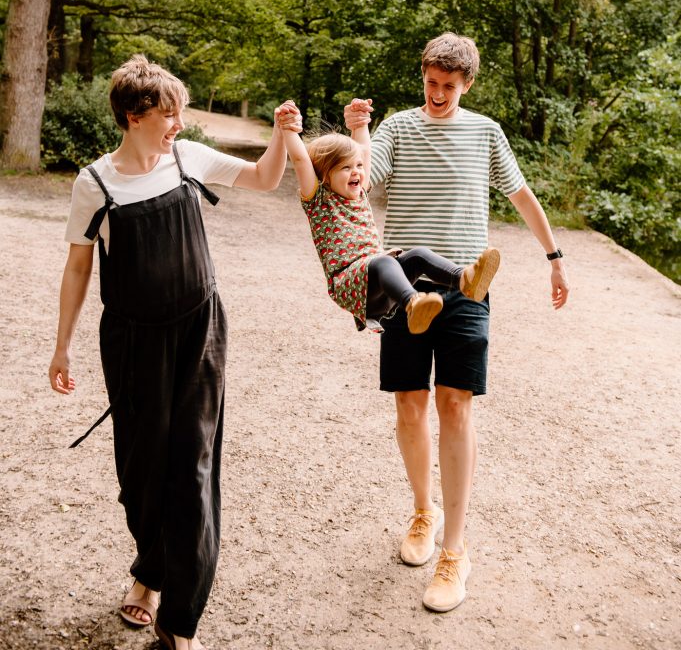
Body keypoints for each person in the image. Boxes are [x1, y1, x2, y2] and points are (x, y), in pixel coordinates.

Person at [48, 55, 300, 650]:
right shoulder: (96, 183)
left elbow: (264, 179)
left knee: (193, 465)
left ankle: (179, 618)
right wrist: (62, 346)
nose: (178, 124)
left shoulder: (189, 160)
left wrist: (282, 137)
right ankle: (149, 571)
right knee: (142, 471)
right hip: (133, 341)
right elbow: (78, 266)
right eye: (169, 114)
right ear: (135, 116)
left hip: (199, 333)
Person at [344, 33, 569, 614]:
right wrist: (358, 133)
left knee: (456, 405)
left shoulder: (485, 132)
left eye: (449, 85)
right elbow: (362, 179)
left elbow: (521, 196)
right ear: (422, 76)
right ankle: (424, 512)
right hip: (403, 286)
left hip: (469, 286)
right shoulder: (397, 127)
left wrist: (554, 258)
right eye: (431, 83)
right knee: (409, 406)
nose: (438, 94)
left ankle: (455, 548)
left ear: (467, 83)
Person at [281, 120, 501, 334]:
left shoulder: (360, 196)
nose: (357, 171)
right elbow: (300, 160)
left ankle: (465, 279)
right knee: (384, 260)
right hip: (350, 284)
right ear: (325, 177)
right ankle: (413, 303)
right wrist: (289, 129)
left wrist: (362, 123)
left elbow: (365, 151)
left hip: (380, 286)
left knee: (418, 255)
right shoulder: (320, 202)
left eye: (358, 166)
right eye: (346, 167)